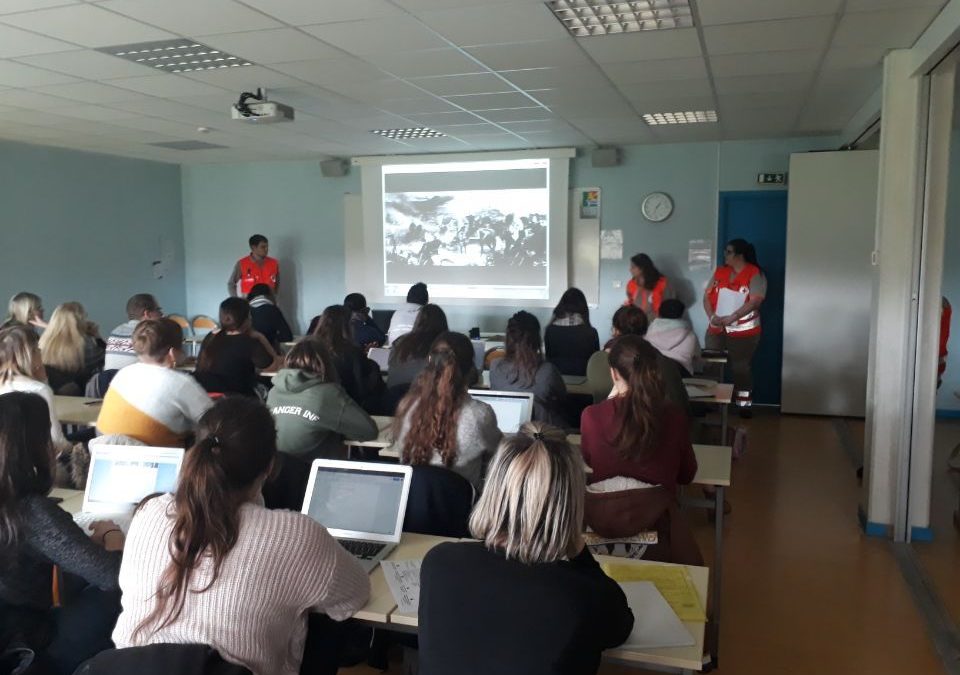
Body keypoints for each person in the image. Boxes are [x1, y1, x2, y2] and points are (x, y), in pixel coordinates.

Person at [111, 397, 371, 675]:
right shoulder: (296, 535)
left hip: (129, 669)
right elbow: (354, 596)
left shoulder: (149, 512)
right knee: (324, 625)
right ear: (271, 466)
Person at [418, 423, 634, 675]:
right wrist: (579, 551)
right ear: (571, 503)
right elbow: (620, 629)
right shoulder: (585, 593)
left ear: (493, 489)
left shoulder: (439, 562)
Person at [0, 392, 123, 675]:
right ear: (34, 447)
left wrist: (82, 544)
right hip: (28, 646)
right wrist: (112, 537)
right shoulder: (30, 512)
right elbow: (111, 575)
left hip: (9, 631)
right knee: (120, 590)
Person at [580, 336, 697, 492]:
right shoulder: (675, 417)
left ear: (614, 374)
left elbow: (589, 461)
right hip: (658, 507)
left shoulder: (591, 416)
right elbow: (686, 475)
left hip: (605, 507)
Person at [389, 332, 502, 490]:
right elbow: (499, 453)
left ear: (429, 364)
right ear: (470, 369)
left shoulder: (407, 407)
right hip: (463, 503)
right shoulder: (479, 414)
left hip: (414, 499)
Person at [97, 319, 213, 447]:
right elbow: (214, 421)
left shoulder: (123, 373)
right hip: (156, 457)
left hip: (102, 453)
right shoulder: (181, 383)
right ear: (172, 353)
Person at [267, 338, 379, 461]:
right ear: (327, 364)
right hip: (312, 468)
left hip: (278, 467)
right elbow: (369, 431)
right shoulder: (327, 394)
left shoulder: (273, 392)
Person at [703, 238, 766, 415]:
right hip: (717, 328)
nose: (725, 255)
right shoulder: (720, 272)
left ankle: (743, 404)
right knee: (711, 365)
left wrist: (734, 317)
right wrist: (712, 316)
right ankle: (710, 403)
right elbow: (706, 297)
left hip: (744, 332)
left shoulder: (755, 273)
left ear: (740, 255)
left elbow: (755, 302)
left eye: (729, 252)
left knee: (740, 368)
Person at [489, 311, 567, 427]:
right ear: (536, 339)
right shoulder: (547, 371)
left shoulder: (495, 366)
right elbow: (563, 398)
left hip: (505, 431)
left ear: (508, 337)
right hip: (542, 432)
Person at [0, 326, 71, 451]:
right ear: (29, 354)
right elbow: (56, 441)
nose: (40, 351)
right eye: (37, 348)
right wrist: (74, 448)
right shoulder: (39, 390)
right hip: (32, 460)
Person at [195, 297, 282, 397]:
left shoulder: (211, 337)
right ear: (247, 318)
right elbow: (272, 367)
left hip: (210, 396)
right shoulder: (249, 342)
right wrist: (260, 337)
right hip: (240, 398)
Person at [312, 304, 383, 409]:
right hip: (347, 405)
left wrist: (362, 355)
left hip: (316, 402)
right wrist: (367, 360)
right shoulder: (351, 352)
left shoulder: (311, 348)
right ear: (346, 326)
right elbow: (362, 387)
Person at [38, 302, 104, 394]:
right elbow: (104, 358)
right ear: (80, 321)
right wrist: (97, 336)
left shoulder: (44, 341)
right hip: (79, 393)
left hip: (53, 392)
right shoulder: (85, 343)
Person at [387, 303, 449, 390]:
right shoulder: (445, 345)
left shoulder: (399, 342)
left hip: (394, 394)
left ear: (417, 321)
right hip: (426, 395)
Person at [544, 288, 600, 376]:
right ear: (583, 308)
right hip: (584, 380)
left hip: (556, 378)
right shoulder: (591, 332)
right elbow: (595, 361)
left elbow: (548, 358)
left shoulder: (550, 330)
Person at [103, 293, 163, 371]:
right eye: (158, 310)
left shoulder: (115, 331)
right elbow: (163, 366)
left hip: (111, 378)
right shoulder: (149, 333)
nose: (162, 314)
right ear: (147, 314)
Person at [645, 299, 701, 377]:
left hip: (653, 375)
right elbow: (697, 356)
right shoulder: (691, 335)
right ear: (681, 314)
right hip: (682, 377)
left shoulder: (648, 333)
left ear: (659, 313)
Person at [625, 253, 672, 320]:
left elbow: (670, 304)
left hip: (658, 321)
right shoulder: (631, 284)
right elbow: (630, 302)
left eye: (633, 267)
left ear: (642, 268)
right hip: (637, 321)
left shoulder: (662, 282)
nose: (630, 269)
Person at [248, 284, 293, 350]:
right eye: (273, 294)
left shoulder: (244, 309)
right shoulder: (272, 310)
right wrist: (273, 338)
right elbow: (287, 336)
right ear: (268, 295)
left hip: (246, 351)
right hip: (268, 351)